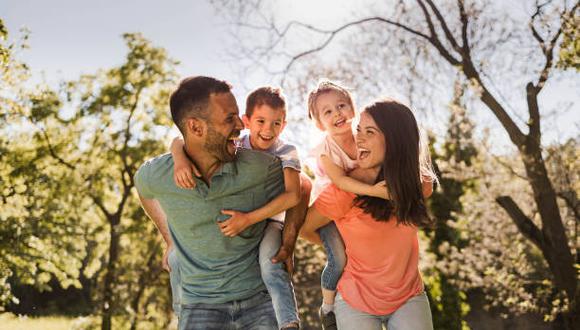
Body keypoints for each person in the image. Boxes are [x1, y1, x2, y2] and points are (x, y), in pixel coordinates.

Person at [135, 76, 302, 330]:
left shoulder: (259, 167)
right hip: (199, 306)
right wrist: (169, 238)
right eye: (229, 118)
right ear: (196, 127)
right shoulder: (157, 174)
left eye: (238, 116)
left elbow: (303, 189)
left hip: (258, 303)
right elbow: (143, 189)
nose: (240, 126)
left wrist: (288, 242)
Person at [301, 99, 436, 330]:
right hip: (355, 300)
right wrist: (340, 253)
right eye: (358, 130)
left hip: (409, 296)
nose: (358, 138)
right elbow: (305, 229)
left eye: (369, 132)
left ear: (395, 140)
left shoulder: (420, 184)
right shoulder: (343, 191)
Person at [306, 80, 389, 329]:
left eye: (341, 106)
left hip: (353, 208)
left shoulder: (365, 137)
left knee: (364, 253)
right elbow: (341, 182)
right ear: (320, 123)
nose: (337, 114)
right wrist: (373, 190)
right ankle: (328, 307)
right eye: (327, 112)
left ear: (353, 109)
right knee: (339, 258)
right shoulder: (325, 150)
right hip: (329, 212)